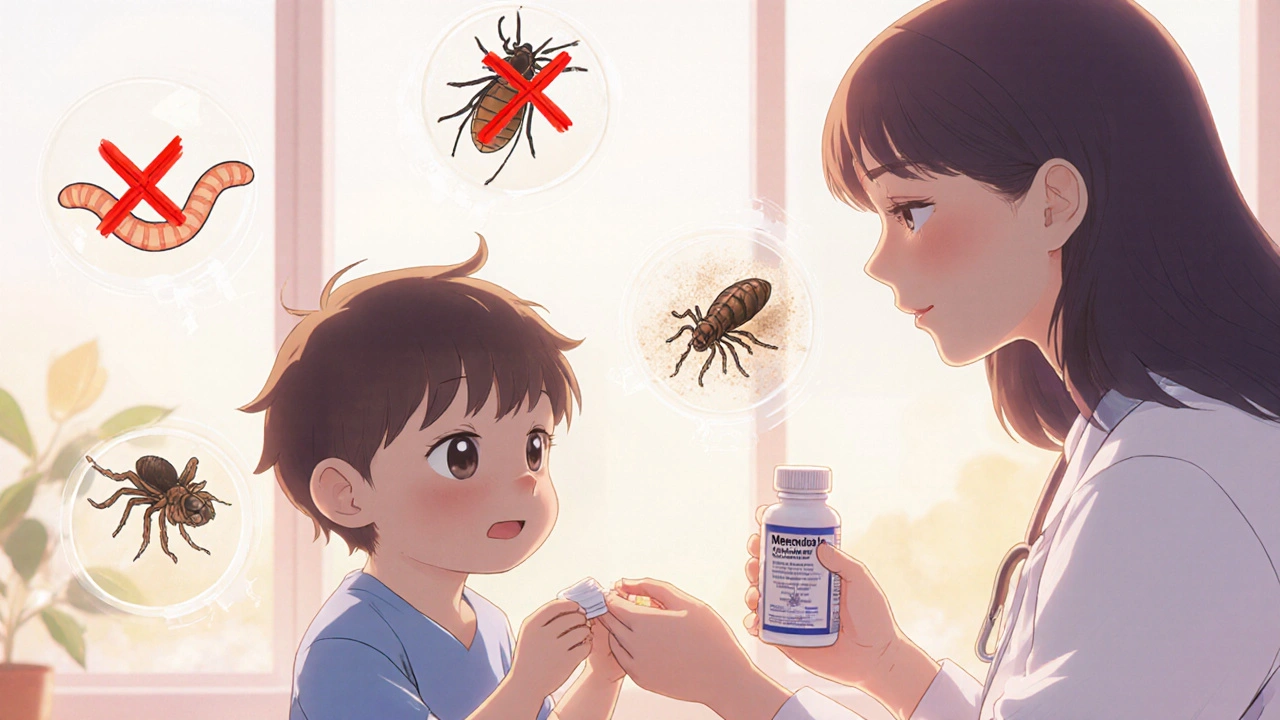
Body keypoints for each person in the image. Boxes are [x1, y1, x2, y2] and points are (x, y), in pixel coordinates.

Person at [594, 0, 1280, 718]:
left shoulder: (1179, 482)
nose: (880, 263)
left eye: (910, 210)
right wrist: (887, 665)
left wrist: (734, 690)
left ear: (1053, 202)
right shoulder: (1147, 442)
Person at [241, 235, 625, 720]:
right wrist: (525, 684)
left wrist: (603, 676)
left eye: (533, 449)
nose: (525, 481)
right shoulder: (345, 647)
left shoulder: (488, 624)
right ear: (348, 494)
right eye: (460, 456)